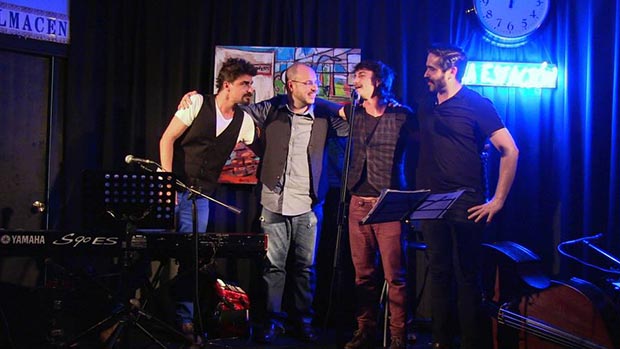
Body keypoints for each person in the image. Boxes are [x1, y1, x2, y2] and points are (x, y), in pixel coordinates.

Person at [417, 44, 519, 349]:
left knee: (466, 277)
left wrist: (497, 200)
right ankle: (441, 341)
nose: (425, 74)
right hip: (430, 200)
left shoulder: (476, 104)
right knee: (437, 272)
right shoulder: (427, 104)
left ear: (451, 70)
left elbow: (510, 150)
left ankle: (473, 344)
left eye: (432, 68)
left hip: (467, 202)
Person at [240, 62, 348, 344]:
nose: (315, 87)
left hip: (309, 205)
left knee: (305, 268)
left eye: (316, 83)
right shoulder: (272, 109)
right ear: (290, 86)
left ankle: (303, 321)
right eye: (308, 83)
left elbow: (353, 120)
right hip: (273, 200)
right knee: (273, 267)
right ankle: (272, 322)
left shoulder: (324, 116)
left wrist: (322, 101)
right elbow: (236, 115)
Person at [159, 57, 258, 347]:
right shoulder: (196, 103)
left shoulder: (244, 120)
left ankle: (185, 319)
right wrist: (166, 185)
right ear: (227, 85)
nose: (250, 89)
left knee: (192, 256)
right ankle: (131, 309)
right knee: (151, 252)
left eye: (250, 83)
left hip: (201, 197)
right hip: (174, 190)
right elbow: (167, 140)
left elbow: (258, 142)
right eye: (245, 84)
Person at [341, 60, 418, 349]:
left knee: (394, 275)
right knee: (363, 274)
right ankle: (365, 330)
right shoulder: (353, 112)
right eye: (355, 75)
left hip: (389, 204)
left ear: (379, 81)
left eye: (361, 75)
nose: (355, 80)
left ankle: (398, 334)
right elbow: (322, 105)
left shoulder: (402, 116)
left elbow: (427, 143)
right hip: (357, 203)